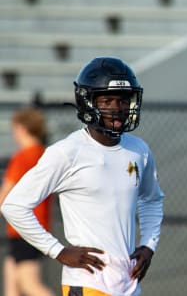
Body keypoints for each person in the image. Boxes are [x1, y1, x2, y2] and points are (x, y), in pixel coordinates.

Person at [1, 57, 165, 296]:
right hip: (87, 283)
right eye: (106, 100)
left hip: (129, 284)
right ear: (88, 103)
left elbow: (152, 199)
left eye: (121, 100)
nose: (116, 108)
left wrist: (149, 245)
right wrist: (58, 251)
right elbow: (14, 205)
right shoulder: (67, 152)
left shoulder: (139, 150)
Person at [0, 107, 54, 296]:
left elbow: (5, 194)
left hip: (23, 229)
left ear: (21, 128)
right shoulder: (45, 155)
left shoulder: (22, 157)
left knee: (30, 284)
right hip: (36, 228)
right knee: (11, 284)